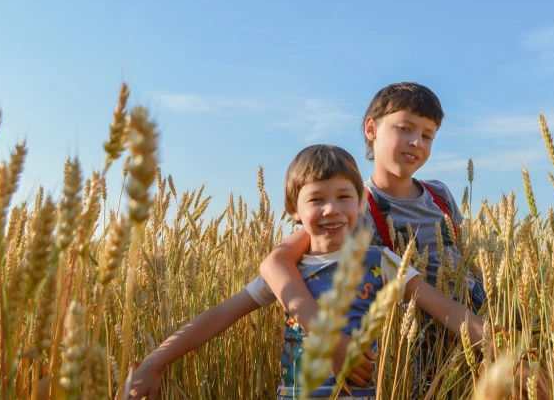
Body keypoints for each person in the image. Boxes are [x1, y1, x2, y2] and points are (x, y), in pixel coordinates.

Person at [128, 144, 486, 399]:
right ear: (293, 210)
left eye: (344, 197)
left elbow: (448, 311)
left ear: (362, 202)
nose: (331, 209)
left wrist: (504, 351)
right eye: (316, 199)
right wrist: (153, 362)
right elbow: (219, 315)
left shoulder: (383, 261)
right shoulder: (288, 274)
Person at [259, 83, 486, 390]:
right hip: (412, 355)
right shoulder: (350, 208)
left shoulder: (441, 195)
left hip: (470, 335)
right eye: (405, 128)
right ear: (371, 128)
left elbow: (464, 263)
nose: (416, 142)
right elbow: (277, 262)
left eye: (427, 135)